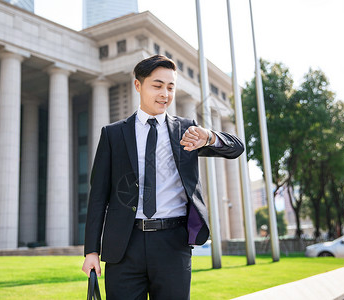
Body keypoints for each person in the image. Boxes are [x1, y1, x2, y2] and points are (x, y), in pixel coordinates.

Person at [82, 54, 244, 299]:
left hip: (173, 243)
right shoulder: (113, 134)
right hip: (124, 245)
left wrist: (209, 136)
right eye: (157, 86)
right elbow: (98, 197)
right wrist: (91, 251)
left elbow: (236, 148)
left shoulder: (187, 131)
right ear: (138, 85)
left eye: (170, 87)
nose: (165, 94)